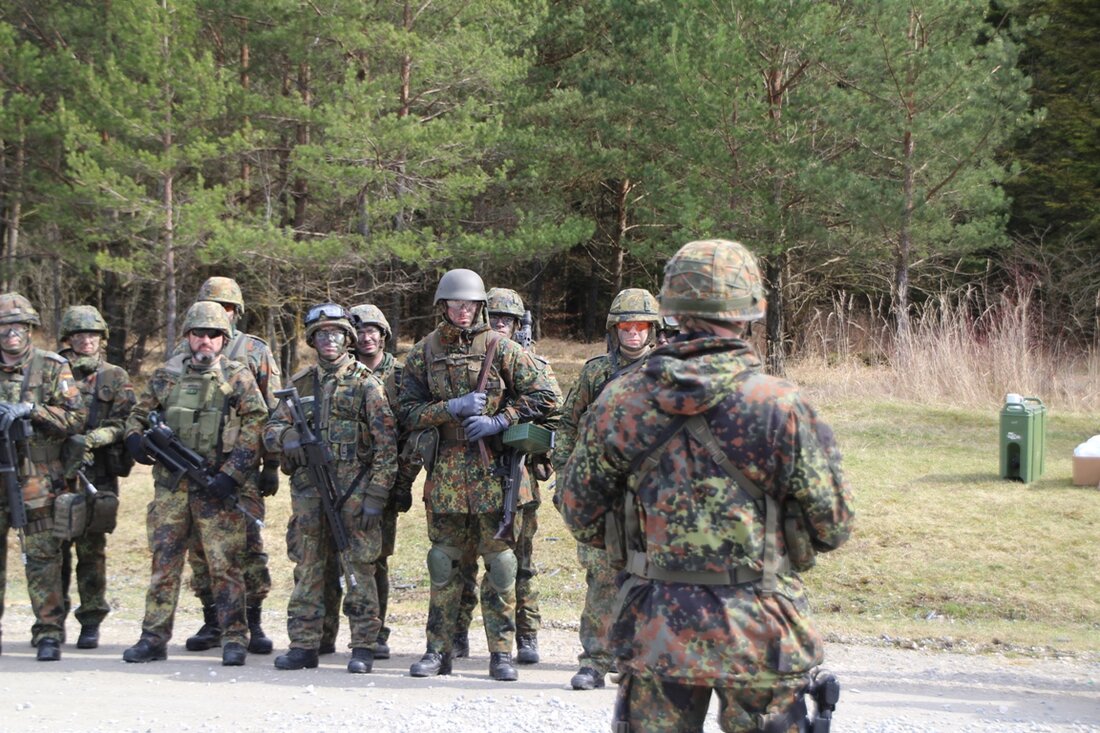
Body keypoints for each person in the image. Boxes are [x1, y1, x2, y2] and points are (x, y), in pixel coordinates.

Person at [560, 239, 855, 733]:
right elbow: (832, 525)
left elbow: (578, 511)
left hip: (655, 627)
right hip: (761, 628)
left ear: (671, 311)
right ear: (750, 312)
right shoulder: (780, 405)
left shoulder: (622, 401)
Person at [399, 269, 558, 682]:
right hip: (447, 476)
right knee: (443, 565)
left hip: (495, 473)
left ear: (480, 307)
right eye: (456, 304)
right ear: (443, 307)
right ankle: (437, 650)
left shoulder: (501, 348)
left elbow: (546, 395)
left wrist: (500, 420)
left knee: (501, 566)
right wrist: (449, 409)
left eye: (470, 304)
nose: (463, 311)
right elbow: (406, 412)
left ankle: (501, 653)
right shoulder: (423, 353)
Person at [122, 301, 268, 666]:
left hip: (216, 486)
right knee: (164, 563)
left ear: (224, 338)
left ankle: (234, 637)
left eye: (214, 334)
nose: (205, 340)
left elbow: (256, 425)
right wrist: (135, 439)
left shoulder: (237, 377)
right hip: (172, 489)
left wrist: (231, 474)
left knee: (225, 565)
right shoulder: (166, 375)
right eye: (199, 333)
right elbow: (138, 415)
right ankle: (153, 637)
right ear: (188, 336)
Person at [266, 304, 397, 674]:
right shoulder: (300, 384)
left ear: (347, 339)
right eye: (322, 334)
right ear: (312, 340)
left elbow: (387, 446)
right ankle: (304, 645)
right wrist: (287, 438)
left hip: (354, 493)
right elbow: (270, 430)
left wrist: (376, 496)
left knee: (359, 569)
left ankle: (364, 645)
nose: (329, 340)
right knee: (308, 568)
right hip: (309, 494)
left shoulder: (366, 383)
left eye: (336, 334)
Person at [550, 287, 662, 690]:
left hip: (651, 498)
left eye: (641, 325)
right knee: (601, 578)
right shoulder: (596, 373)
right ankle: (594, 661)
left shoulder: (668, 372)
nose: (633, 332)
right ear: (614, 329)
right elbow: (567, 425)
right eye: (625, 325)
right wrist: (565, 476)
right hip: (603, 495)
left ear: (652, 329)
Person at [452, 287, 561, 664]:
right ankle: (458, 634)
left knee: (520, 562)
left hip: (519, 473)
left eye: (508, 320)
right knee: (464, 560)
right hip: (471, 475)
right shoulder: (469, 360)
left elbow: (554, 412)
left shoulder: (535, 364)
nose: (500, 325)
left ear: (518, 325)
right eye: (495, 318)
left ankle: (526, 635)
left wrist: (510, 423)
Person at [181, 276, 282, 656]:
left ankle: (252, 620)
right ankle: (213, 619)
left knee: (249, 546)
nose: (217, 314)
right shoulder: (188, 348)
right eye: (210, 306)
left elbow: (272, 410)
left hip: (243, 469)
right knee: (200, 549)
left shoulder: (255, 350)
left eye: (225, 307)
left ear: (236, 311)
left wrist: (271, 465)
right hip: (195, 468)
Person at [0, 293, 84, 660]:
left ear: (30, 329)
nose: (11, 334)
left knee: (43, 557)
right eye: (4, 327)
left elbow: (76, 418)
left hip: (38, 478)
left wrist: (31, 411)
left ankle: (48, 631)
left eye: (19, 326)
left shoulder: (51, 367)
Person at [341, 303, 419, 660]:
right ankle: (329, 632)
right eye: (360, 331)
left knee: (377, 558)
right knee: (343, 556)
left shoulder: (401, 377)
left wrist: (400, 484)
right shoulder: (344, 374)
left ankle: (377, 631)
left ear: (384, 335)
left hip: (387, 478)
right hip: (347, 479)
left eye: (373, 330)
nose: (366, 337)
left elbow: (413, 433)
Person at [56, 305, 136, 650]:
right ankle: (52, 619)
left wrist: (93, 439)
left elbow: (127, 422)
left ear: (102, 338)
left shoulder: (114, 376)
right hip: (55, 474)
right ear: (68, 338)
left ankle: (90, 619)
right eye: (79, 334)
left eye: (92, 334)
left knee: (92, 550)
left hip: (96, 474)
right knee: (54, 548)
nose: (86, 340)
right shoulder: (53, 370)